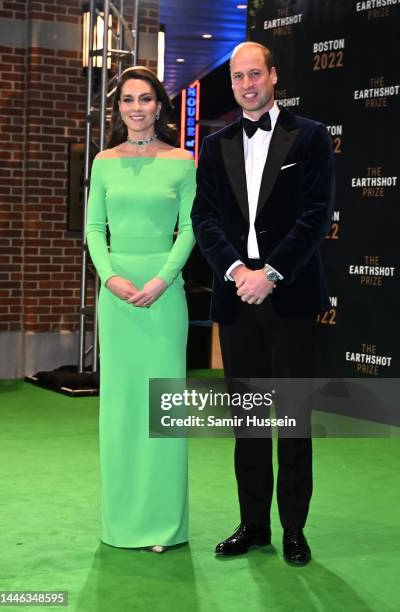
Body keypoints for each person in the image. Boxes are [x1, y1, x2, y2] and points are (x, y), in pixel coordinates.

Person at [191, 42, 335, 565]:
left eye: (256, 74)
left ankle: (293, 528)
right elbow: (204, 218)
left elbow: (316, 215)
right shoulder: (214, 144)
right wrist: (236, 273)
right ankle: (253, 525)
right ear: (230, 83)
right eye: (237, 77)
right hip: (236, 297)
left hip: (289, 293)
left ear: (274, 76)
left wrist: (270, 274)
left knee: (293, 419)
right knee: (248, 421)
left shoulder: (311, 136)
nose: (247, 84)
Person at [86, 66, 195, 552]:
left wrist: (162, 278)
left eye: (145, 99)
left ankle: (163, 524)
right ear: (119, 108)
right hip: (117, 296)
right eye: (127, 100)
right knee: (122, 407)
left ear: (159, 106)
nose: (136, 108)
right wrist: (110, 278)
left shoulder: (184, 161)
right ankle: (122, 522)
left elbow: (191, 229)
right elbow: (93, 229)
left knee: (163, 407)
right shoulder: (103, 161)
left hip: (163, 294)